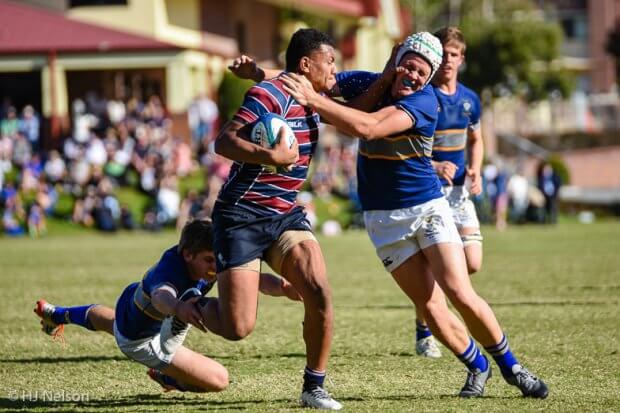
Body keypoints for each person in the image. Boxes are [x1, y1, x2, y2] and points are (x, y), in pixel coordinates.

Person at [278, 31, 548, 399]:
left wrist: (312, 100)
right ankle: (478, 366)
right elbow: (312, 78)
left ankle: (513, 368)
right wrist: (257, 75)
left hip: (426, 208)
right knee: (430, 306)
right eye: (408, 65)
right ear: (396, 59)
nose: (413, 76)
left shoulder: (425, 101)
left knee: (459, 291)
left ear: (431, 76)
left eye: (422, 72)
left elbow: (366, 126)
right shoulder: (370, 82)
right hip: (383, 219)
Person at [200, 28, 342, 410]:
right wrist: (272, 158)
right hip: (241, 216)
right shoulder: (267, 95)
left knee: (319, 292)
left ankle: (314, 387)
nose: (335, 69)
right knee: (238, 328)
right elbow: (224, 142)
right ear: (306, 64)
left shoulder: (317, 98)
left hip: (284, 215)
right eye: (330, 61)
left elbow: (359, 108)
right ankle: (182, 307)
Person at [34, 219, 300, 393]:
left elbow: (250, 279)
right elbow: (162, 296)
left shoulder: (207, 257)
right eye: (209, 261)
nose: (216, 267)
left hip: (135, 307)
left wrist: (284, 288)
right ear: (188, 255)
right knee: (219, 380)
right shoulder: (170, 271)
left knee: (113, 323)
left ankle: (55, 314)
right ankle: (167, 378)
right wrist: (178, 309)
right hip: (143, 339)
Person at [411, 27, 486, 358]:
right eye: (443, 55)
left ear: (461, 59)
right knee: (437, 269)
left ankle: (432, 309)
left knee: (472, 263)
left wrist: (476, 169)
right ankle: (424, 330)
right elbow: (411, 145)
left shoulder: (470, 99)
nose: (448, 61)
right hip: (429, 193)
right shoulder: (426, 97)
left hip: (458, 194)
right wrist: (436, 164)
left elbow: (476, 139)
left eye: (454, 55)